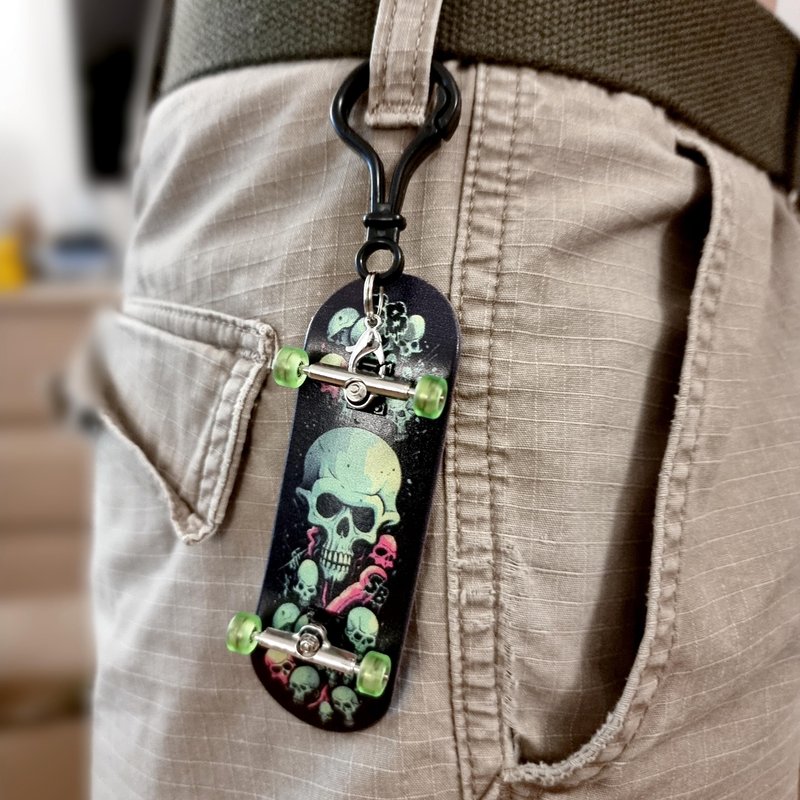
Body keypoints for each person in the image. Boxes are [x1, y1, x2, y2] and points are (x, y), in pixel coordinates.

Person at [80, 1, 800, 797]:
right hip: (457, 96)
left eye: (356, 517)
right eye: (336, 511)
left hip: (746, 211)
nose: (344, 533)